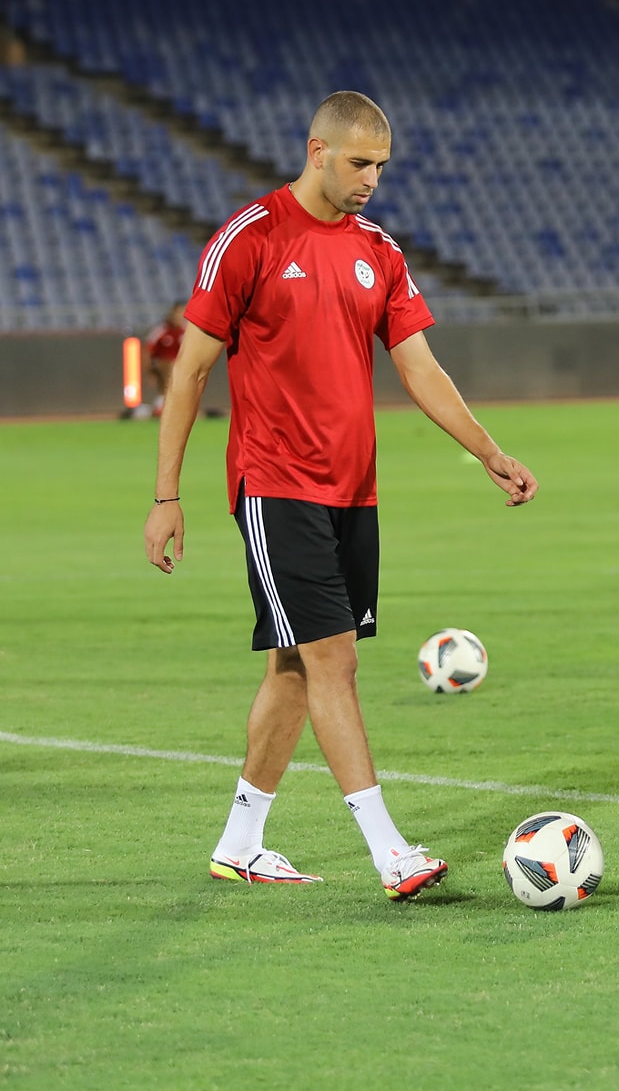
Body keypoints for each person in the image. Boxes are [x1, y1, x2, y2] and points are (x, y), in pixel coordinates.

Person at [143, 90, 538, 901]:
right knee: (336, 661)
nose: (371, 181)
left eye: (382, 167)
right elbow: (189, 368)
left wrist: (487, 450)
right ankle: (391, 851)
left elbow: (419, 365)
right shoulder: (248, 237)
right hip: (275, 483)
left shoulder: (378, 251)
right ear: (317, 150)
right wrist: (166, 494)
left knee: (294, 666)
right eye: (360, 163)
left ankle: (241, 841)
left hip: (353, 491)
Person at [141, 301, 187, 418]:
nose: (179, 316)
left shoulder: (186, 330)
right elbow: (148, 349)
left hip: (181, 368)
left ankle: (162, 408)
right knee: (169, 366)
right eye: (178, 312)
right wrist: (149, 370)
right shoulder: (162, 329)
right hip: (163, 365)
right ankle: (162, 408)